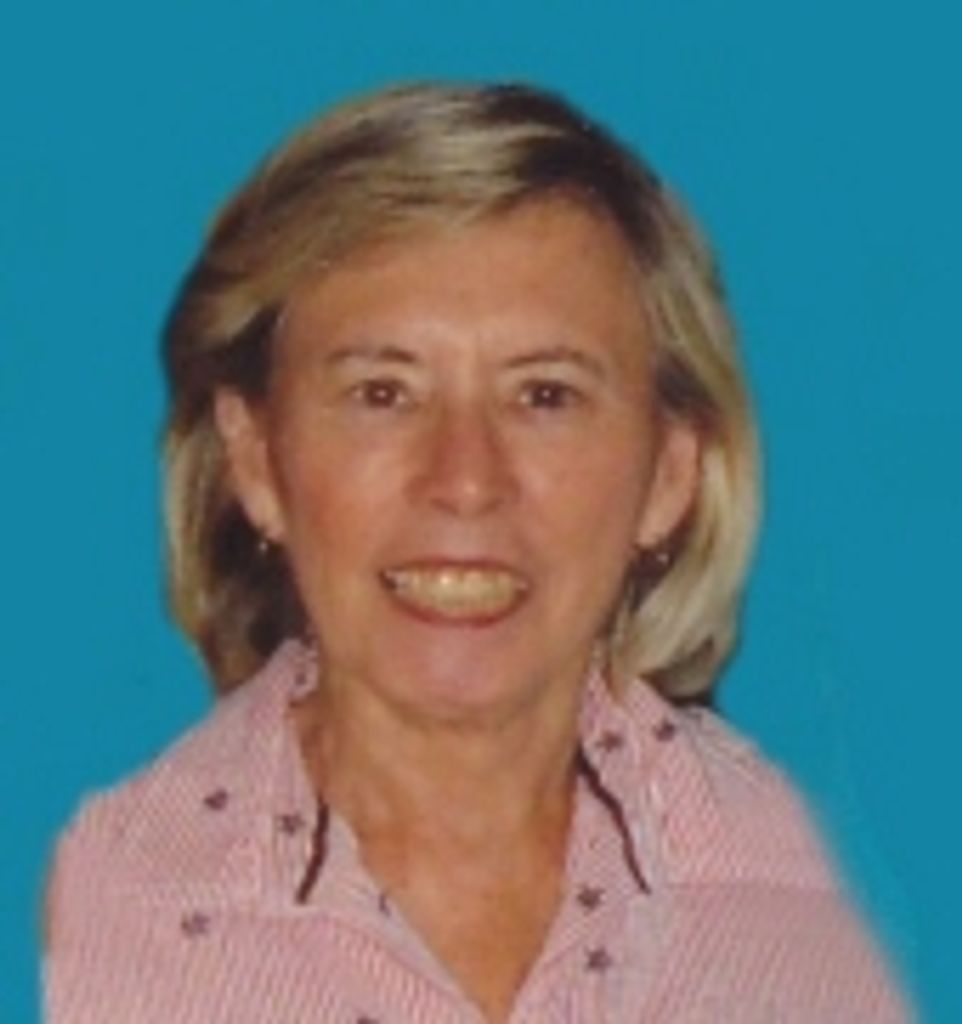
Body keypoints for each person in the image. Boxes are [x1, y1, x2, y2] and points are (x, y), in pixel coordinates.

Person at [45, 81, 910, 1022]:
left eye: (545, 395)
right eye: (383, 393)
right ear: (257, 461)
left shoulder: (822, 894)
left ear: (668, 475)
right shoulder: (89, 906)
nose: (464, 479)